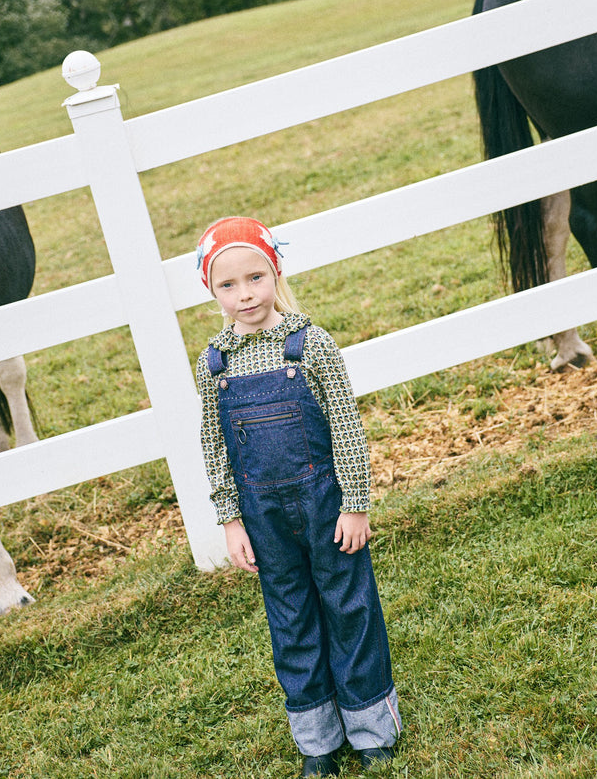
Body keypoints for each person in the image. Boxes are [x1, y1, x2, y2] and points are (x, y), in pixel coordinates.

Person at [193, 216, 401, 777]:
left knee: (347, 605)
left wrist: (355, 503)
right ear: (210, 292)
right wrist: (231, 520)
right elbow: (214, 446)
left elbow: (346, 427)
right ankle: (317, 740)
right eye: (228, 286)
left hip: (325, 506)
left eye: (255, 278)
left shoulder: (311, 344)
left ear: (275, 271)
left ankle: (371, 727)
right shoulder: (214, 362)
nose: (245, 296)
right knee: (290, 617)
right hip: (262, 517)